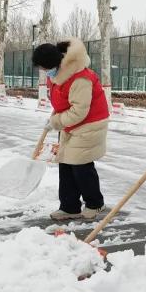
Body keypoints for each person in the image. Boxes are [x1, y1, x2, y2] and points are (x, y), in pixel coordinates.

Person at [32, 38, 110, 221]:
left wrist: (56, 122)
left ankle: (95, 204)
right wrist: (56, 117)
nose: (44, 72)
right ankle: (69, 207)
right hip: (70, 125)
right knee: (66, 164)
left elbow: (79, 111)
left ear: (55, 63)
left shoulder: (80, 78)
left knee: (81, 165)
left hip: (89, 124)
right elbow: (62, 100)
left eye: (45, 68)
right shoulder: (57, 75)